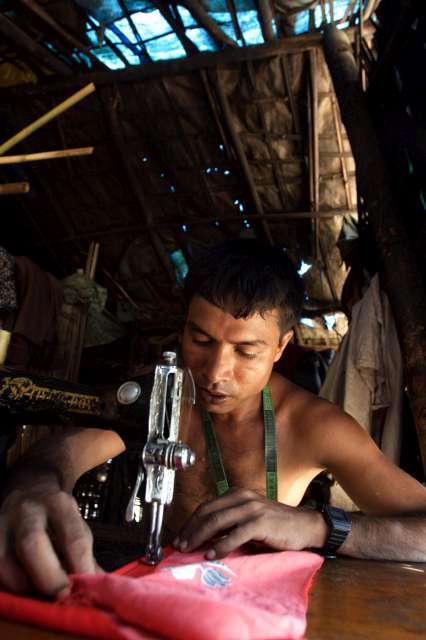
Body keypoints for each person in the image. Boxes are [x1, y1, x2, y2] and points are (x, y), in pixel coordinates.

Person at [1, 239, 426, 598]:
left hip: (252, 606)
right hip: (162, 589)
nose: (215, 373)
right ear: (183, 328)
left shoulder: (315, 427)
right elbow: (64, 450)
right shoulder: (161, 396)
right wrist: (35, 482)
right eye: (200, 339)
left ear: (281, 347)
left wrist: (318, 527)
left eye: (246, 351)